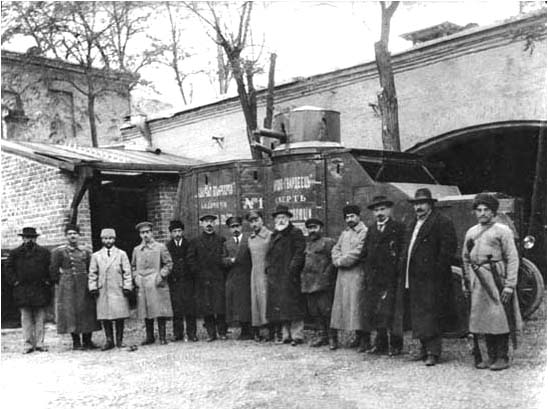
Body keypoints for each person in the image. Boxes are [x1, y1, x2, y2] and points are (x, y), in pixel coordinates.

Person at [392, 188, 457, 366]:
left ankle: (433, 352)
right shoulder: (412, 222)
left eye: (422, 203)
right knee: (417, 313)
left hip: (431, 278)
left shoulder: (442, 222)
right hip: (412, 276)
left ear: (430, 204)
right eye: (416, 204)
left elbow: (447, 250)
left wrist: (436, 273)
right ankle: (423, 348)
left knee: (431, 313)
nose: (418, 207)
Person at [462, 193, 522, 371]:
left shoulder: (502, 231)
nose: (482, 213)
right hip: (477, 279)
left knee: (499, 316)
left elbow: (512, 258)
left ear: (493, 212)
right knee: (483, 318)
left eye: (486, 210)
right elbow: (465, 258)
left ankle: (502, 357)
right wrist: (466, 281)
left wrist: (509, 285)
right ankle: (490, 356)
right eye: (479, 210)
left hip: (496, 278)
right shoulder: (471, 232)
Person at [362, 196, 405, 356]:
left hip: (391, 277)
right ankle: (381, 344)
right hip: (374, 278)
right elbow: (365, 252)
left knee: (392, 311)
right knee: (377, 310)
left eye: (382, 209)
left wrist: (397, 271)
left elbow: (402, 252)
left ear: (389, 210)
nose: (379, 213)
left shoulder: (398, 228)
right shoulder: (372, 229)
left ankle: (396, 345)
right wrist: (368, 271)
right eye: (376, 210)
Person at [50, 224, 101, 350]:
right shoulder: (59, 252)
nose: (72, 236)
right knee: (71, 311)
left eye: (74, 233)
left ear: (79, 235)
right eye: (69, 234)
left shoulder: (86, 251)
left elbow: (91, 268)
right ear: (66, 236)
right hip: (68, 285)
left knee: (87, 310)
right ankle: (76, 341)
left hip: (84, 284)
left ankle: (88, 340)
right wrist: (62, 281)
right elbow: (53, 270)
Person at [265, 205, 306, 346]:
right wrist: (269, 269)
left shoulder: (295, 232)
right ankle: (286, 335)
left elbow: (299, 253)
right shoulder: (274, 235)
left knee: (294, 305)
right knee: (281, 305)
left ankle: (297, 335)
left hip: (290, 275)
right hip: (277, 276)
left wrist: (292, 269)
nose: (280, 220)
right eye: (278, 218)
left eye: (283, 217)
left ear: (288, 218)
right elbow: (269, 254)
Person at [6, 227, 52, 354]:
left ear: (35, 239)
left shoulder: (44, 253)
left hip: (40, 288)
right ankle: (28, 344)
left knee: (40, 317)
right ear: (23, 238)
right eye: (27, 238)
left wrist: (48, 281)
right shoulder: (15, 253)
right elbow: (8, 269)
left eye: (32, 237)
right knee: (26, 318)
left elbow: (50, 268)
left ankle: (40, 343)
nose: (29, 240)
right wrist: (15, 282)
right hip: (23, 289)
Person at [330, 204, 370, 352]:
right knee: (347, 307)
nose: (349, 219)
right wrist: (336, 259)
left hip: (357, 274)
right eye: (347, 217)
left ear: (359, 216)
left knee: (358, 307)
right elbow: (336, 248)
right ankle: (357, 337)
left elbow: (358, 252)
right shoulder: (345, 233)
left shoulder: (364, 232)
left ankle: (364, 339)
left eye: (352, 216)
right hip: (343, 276)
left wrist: (341, 261)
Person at [88, 228, 133, 350]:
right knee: (105, 316)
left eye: (111, 238)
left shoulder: (121, 254)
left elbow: (127, 272)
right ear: (102, 240)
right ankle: (109, 340)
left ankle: (119, 340)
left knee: (119, 315)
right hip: (103, 289)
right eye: (105, 238)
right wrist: (93, 287)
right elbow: (92, 273)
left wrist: (127, 286)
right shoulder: (96, 256)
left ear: (114, 239)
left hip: (118, 288)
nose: (108, 241)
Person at [187, 214, 228, 342]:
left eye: (211, 222)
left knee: (220, 306)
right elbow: (190, 259)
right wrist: (198, 272)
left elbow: (225, 257)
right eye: (206, 222)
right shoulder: (195, 241)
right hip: (203, 279)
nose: (209, 224)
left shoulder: (221, 240)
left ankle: (222, 332)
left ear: (214, 224)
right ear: (202, 224)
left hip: (217, 277)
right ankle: (211, 333)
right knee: (207, 307)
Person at [131, 221, 173, 345]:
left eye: (147, 232)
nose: (145, 235)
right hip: (143, 283)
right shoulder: (137, 250)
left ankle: (162, 336)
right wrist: (135, 277)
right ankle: (149, 337)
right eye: (142, 233)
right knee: (146, 310)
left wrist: (161, 275)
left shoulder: (160, 247)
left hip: (156, 282)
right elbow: (133, 266)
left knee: (159, 310)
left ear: (152, 233)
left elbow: (169, 263)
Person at [301, 218, 337, 349]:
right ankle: (322, 336)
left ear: (321, 229)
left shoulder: (328, 242)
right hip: (309, 284)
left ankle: (332, 338)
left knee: (326, 311)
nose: (312, 231)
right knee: (315, 312)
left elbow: (333, 261)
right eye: (310, 228)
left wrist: (327, 275)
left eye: (314, 227)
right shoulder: (308, 245)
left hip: (323, 284)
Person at [166, 220, 197, 342]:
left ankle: (191, 333)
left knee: (190, 307)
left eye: (179, 231)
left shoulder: (189, 244)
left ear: (183, 231)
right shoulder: (168, 246)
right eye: (174, 231)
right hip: (174, 281)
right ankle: (178, 333)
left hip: (188, 280)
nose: (177, 234)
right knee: (176, 307)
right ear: (171, 233)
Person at [224, 216, 253, 340]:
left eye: (237, 226)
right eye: (232, 227)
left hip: (247, 276)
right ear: (229, 229)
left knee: (247, 303)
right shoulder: (227, 243)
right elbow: (222, 259)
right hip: (234, 277)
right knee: (237, 305)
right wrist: (230, 260)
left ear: (241, 227)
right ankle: (243, 329)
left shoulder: (249, 240)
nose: (235, 229)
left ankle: (250, 330)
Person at [246, 210, 273, 342]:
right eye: (251, 222)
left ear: (262, 220)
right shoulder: (250, 239)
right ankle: (257, 330)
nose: (254, 224)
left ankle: (271, 331)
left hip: (266, 273)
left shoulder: (270, 236)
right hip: (254, 273)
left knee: (266, 301)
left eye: (256, 220)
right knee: (255, 302)